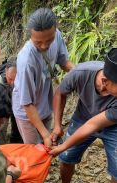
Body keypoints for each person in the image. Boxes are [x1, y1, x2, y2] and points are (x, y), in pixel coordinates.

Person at [49, 49, 117, 183]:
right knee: (66, 158)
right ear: (105, 81)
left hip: (113, 127)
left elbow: (92, 126)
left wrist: (62, 146)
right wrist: (57, 125)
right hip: (83, 117)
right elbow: (60, 93)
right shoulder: (81, 72)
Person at [12, 8, 74, 148]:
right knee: (34, 150)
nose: (44, 45)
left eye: (49, 40)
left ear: (55, 30)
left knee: (46, 146)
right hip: (27, 113)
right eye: (38, 42)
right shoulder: (26, 60)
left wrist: (79, 71)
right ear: (30, 36)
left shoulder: (57, 35)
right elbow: (27, 103)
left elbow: (63, 61)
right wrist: (45, 134)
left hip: (45, 104)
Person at [0, 57, 22, 144]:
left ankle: (15, 142)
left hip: (17, 105)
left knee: (18, 125)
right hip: (3, 106)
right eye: (10, 79)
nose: (13, 83)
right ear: (6, 71)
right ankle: (1, 146)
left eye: (16, 79)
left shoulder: (25, 78)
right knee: (1, 127)